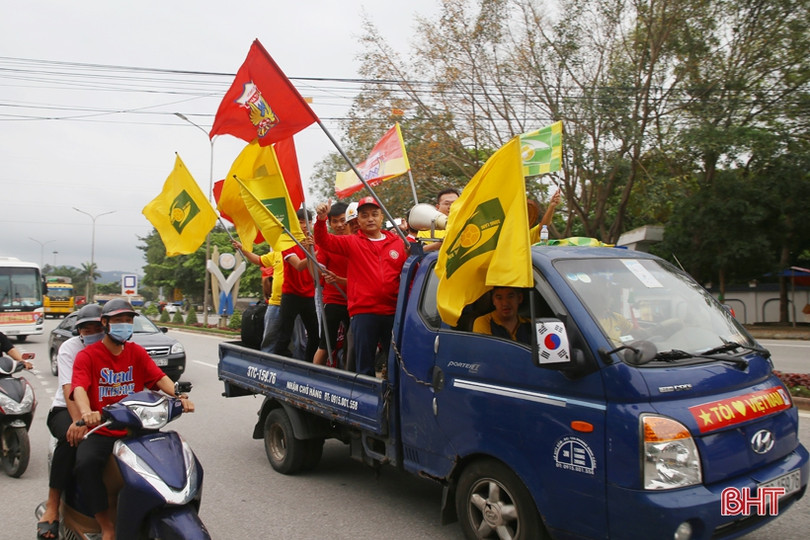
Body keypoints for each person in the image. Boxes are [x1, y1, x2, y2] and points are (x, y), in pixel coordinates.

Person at [71, 299, 194, 540]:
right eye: (118, 321)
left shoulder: (136, 352)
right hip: (104, 430)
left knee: (173, 455)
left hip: (138, 428)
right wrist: (87, 413)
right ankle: (106, 525)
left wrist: (179, 396)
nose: (125, 325)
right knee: (85, 464)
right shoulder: (88, 356)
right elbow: (79, 390)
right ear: (105, 323)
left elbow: (159, 378)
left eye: (128, 321)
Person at [314, 196, 408, 376]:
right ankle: (365, 401)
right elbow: (323, 240)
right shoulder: (352, 242)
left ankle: (392, 400)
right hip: (364, 313)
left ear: (382, 217)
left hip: (392, 312)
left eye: (374, 214)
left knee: (395, 363)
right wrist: (321, 220)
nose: (370, 218)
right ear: (358, 220)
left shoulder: (398, 243)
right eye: (364, 215)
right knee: (364, 365)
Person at [37, 304, 104, 539]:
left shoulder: (119, 346)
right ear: (79, 331)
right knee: (70, 440)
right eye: (87, 329)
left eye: (98, 327)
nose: (94, 332)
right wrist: (78, 422)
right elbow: (70, 389)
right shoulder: (70, 349)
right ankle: (53, 506)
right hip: (67, 408)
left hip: (104, 409)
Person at [313, 202, 350, 367]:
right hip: (334, 299)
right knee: (326, 344)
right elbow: (317, 273)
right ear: (329, 223)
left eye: (343, 220)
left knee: (353, 345)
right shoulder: (328, 244)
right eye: (335, 221)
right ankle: (313, 379)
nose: (340, 225)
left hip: (356, 301)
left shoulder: (360, 241)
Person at [417, 188, 459, 252]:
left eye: (455, 203)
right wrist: (438, 245)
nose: (451, 207)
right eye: (447, 203)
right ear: (437, 207)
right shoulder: (428, 226)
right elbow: (418, 251)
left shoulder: (469, 222)